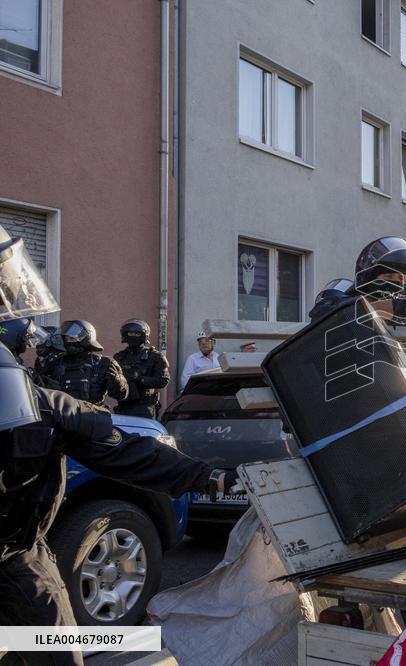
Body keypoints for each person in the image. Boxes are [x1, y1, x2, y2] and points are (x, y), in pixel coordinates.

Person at [0, 224, 238, 666]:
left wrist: (209, 477)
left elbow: (124, 448)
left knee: (52, 654)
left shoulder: (45, 403)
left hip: (17, 560)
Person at [40, 320, 129, 408]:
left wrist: (118, 382)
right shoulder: (56, 362)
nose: (69, 342)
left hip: (93, 416)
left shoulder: (103, 363)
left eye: (72, 338)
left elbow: (121, 395)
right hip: (64, 418)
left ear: (87, 338)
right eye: (66, 339)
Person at [113, 319, 171, 419]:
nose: (133, 336)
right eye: (131, 333)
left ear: (144, 335)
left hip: (144, 407)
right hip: (123, 407)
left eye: (137, 334)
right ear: (125, 335)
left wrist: (141, 379)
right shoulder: (119, 357)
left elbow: (163, 380)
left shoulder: (155, 356)